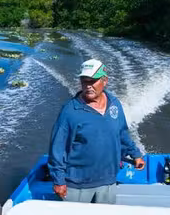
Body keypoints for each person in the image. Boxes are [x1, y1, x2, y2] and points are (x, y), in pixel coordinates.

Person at [47, 59, 146, 204]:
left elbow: (122, 133)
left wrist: (135, 154)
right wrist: (58, 180)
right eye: (84, 81)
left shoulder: (114, 104)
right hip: (77, 184)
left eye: (92, 81)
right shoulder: (70, 111)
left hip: (108, 181)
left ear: (104, 81)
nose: (88, 86)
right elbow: (58, 148)